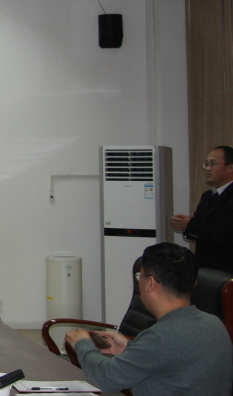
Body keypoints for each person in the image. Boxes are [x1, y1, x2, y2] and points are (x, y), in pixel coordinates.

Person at [65, 242, 233, 396]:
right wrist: (131, 349)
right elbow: (175, 361)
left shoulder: (160, 337)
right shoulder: (215, 324)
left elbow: (107, 379)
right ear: (194, 284)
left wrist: (82, 344)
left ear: (150, 283)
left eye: (141, 276)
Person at [171, 145, 233, 273]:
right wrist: (186, 226)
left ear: (230, 167)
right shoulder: (207, 196)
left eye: (213, 164)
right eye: (207, 164)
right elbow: (199, 230)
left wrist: (192, 224)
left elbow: (227, 233)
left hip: (227, 269)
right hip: (205, 267)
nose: (208, 169)